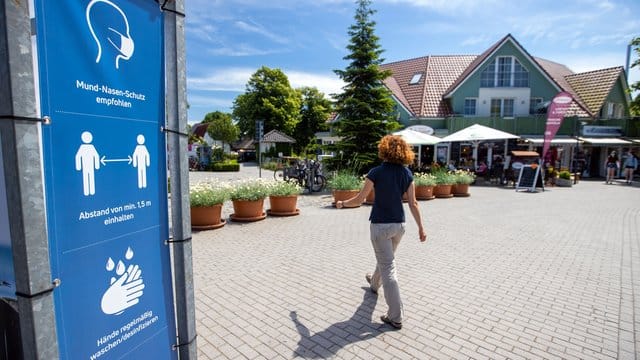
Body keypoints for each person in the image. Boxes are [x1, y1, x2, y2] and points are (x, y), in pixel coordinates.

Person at [336, 135, 427, 330]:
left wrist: (343, 203)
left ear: (384, 150)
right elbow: (413, 203)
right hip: (399, 226)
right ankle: (374, 284)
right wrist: (421, 227)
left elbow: (360, 199)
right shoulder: (407, 174)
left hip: (380, 226)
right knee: (386, 259)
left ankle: (396, 316)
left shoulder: (376, 172)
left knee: (389, 267)